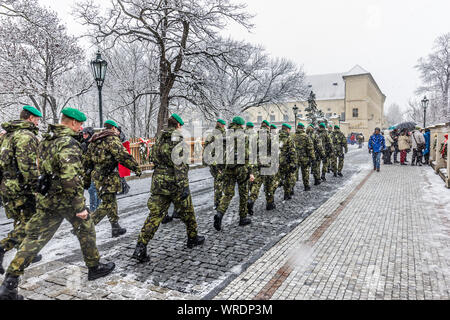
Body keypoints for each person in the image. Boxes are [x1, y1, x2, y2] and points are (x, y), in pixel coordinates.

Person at [0, 108, 115, 300]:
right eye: (79, 124)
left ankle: (9, 283)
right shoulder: (68, 143)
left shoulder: (46, 139)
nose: (81, 128)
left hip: (47, 199)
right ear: (71, 123)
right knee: (86, 227)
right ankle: (94, 267)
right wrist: (80, 208)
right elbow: (71, 179)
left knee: (33, 237)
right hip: (66, 199)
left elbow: (39, 167)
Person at [132, 114, 205, 263]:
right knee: (188, 211)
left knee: (154, 215)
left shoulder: (159, 138)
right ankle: (192, 238)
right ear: (178, 125)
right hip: (175, 183)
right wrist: (184, 186)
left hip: (159, 182)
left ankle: (141, 246)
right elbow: (181, 165)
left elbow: (152, 157)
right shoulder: (178, 140)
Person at [0, 106, 43, 276]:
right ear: (31, 118)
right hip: (21, 187)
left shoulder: (7, 136)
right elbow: (28, 167)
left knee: (20, 219)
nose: (38, 122)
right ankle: (3, 246)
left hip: (7, 185)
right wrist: (36, 188)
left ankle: (26, 252)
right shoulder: (25, 136)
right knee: (31, 222)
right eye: (37, 119)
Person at [84, 120, 142, 238]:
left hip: (98, 177)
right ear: (114, 128)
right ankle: (84, 227)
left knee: (111, 201)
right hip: (108, 177)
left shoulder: (94, 141)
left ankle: (115, 227)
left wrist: (86, 179)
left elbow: (87, 162)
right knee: (107, 204)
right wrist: (136, 168)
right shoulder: (112, 139)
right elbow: (123, 156)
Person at [214, 117, 255, 231]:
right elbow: (248, 155)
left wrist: (220, 167)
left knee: (228, 194)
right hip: (241, 168)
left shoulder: (225, 136)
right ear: (241, 125)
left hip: (228, 168)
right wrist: (250, 171)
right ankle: (243, 218)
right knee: (243, 194)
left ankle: (219, 213)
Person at [248, 120, 277, 213]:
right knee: (269, 184)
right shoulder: (271, 137)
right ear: (268, 127)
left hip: (257, 163)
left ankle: (251, 200)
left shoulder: (254, 137)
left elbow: (251, 151)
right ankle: (270, 203)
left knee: (256, 184)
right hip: (268, 164)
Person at [203, 119, 226, 210]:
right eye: (223, 125)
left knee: (218, 182)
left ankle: (218, 201)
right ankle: (219, 202)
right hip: (219, 162)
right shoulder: (220, 135)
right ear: (221, 125)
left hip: (215, 162)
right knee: (220, 182)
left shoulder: (211, 135)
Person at [81, 127, 101, 212]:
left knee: (93, 189)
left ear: (90, 134)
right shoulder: (83, 144)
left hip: (96, 170)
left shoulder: (95, 144)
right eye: (83, 134)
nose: (84, 135)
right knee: (93, 190)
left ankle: (94, 209)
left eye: (86, 134)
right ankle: (96, 208)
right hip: (87, 171)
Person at [278, 124, 298, 199]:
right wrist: (293, 163)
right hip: (286, 161)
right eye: (289, 129)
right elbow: (292, 152)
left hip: (277, 162)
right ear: (287, 129)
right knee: (288, 178)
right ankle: (287, 194)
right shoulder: (288, 139)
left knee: (277, 178)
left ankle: (270, 198)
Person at [294, 123, 315, 191]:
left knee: (294, 173)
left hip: (295, 158)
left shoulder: (293, 136)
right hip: (304, 158)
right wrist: (312, 158)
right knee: (305, 172)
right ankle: (306, 186)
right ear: (303, 128)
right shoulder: (306, 137)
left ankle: (291, 188)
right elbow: (310, 148)